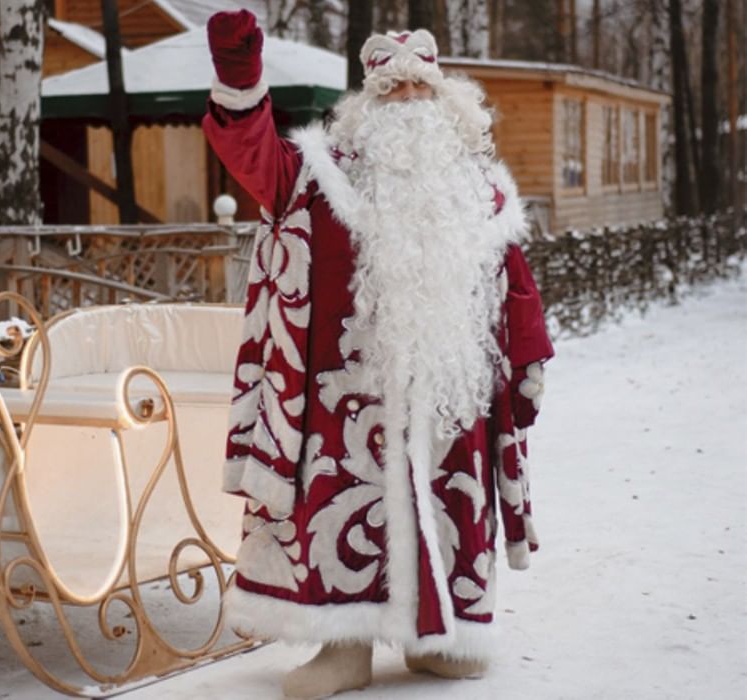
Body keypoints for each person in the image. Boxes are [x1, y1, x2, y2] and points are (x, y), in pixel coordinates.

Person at [203, 10, 555, 699]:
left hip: (452, 399)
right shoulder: (320, 180)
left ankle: (444, 638)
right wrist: (239, 77)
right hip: (347, 404)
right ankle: (344, 648)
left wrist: (530, 360)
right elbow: (255, 158)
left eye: (421, 90)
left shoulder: (478, 194)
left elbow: (514, 284)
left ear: (446, 101)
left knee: (452, 508)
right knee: (345, 510)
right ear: (366, 105)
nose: (408, 103)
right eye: (392, 92)